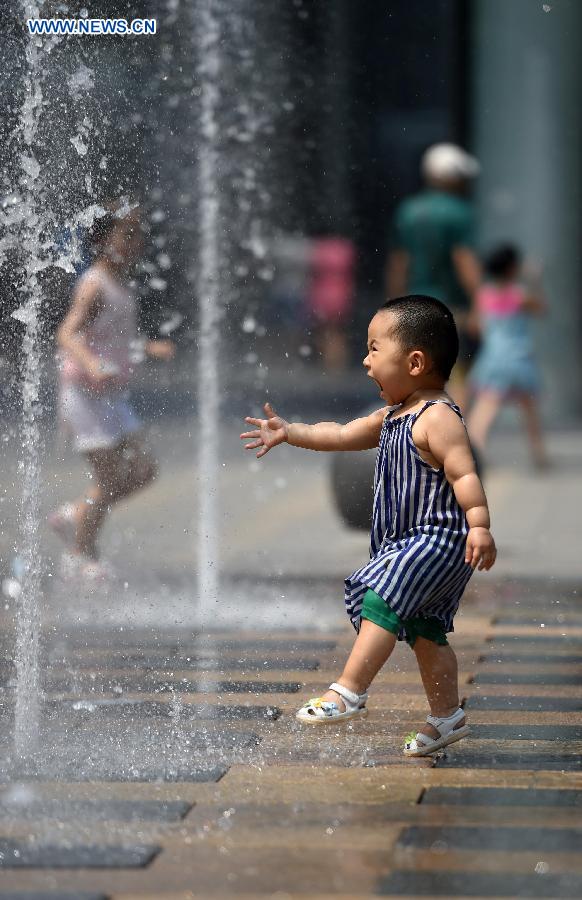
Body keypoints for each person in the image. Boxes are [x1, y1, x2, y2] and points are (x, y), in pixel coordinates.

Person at [240, 295, 496, 756]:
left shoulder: (437, 417)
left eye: (375, 349)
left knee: (383, 597)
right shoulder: (392, 416)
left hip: (436, 540)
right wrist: (290, 431)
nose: (365, 361)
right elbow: (338, 435)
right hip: (404, 543)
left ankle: (349, 690)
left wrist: (478, 524)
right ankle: (447, 718)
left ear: (415, 362)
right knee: (424, 632)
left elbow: (465, 474)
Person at [50, 203, 175, 582]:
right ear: (103, 240)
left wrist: (145, 347)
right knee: (110, 480)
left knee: (143, 470)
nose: (137, 242)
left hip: (111, 397)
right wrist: (89, 363)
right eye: (128, 234)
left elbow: (113, 336)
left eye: (139, 235)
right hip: (85, 396)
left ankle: (75, 515)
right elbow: (66, 334)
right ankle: (80, 554)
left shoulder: (120, 284)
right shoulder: (94, 284)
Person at [386, 144, 482, 411]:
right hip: (448, 305)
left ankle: (418, 437)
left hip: (414, 303)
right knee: (454, 371)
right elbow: (463, 260)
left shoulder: (408, 211)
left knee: (417, 371)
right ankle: (459, 436)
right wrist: (479, 301)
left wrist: (394, 305)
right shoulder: (458, 212)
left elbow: (399, 262)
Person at [467, 244, 548, 468]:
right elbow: (542, 309)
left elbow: (475, 326)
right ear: (513, 268)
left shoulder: (484, 295)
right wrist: (534, 279)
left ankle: (475, 454)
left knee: (484, 411)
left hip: (493, 358)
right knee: (529, 410)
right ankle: (539, 456)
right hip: (519, 359)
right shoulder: (519, 295)